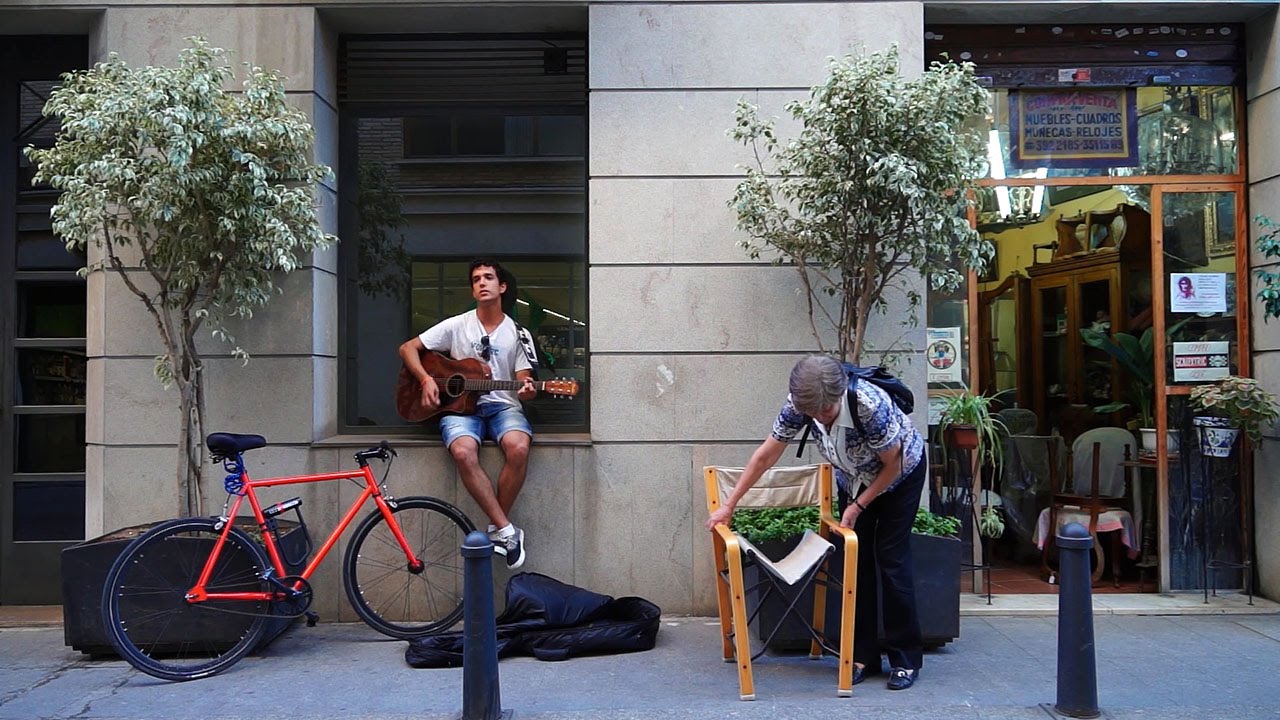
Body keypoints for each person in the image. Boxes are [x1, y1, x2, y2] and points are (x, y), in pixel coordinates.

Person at [704, 354, 926, 690]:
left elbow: (892, 465)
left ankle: (905, 660)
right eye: (813, 413)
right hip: (854, 478)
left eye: (826, 410)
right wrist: (729, 506)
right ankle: (862, 655)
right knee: (856, 563)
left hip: (899, 476)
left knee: (891, 560)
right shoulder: (799, 402)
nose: (820, 416)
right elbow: (767, 454)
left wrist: (858, 506)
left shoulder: (868, 403)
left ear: (838, 395)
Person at [399, 259, 536, 569]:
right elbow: (407, 348)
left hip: (503, 405)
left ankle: (498, 530)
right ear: (473, 290)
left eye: (488, 277)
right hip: (460, 408)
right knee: (462, 451)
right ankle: (507, 530)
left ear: (502, 287)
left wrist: (529, 390)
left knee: (518, 447)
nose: (482, 283)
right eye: (476, 279)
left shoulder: (519, 333)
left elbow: (525, 380)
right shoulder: (456, 325)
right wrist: (426, 379)